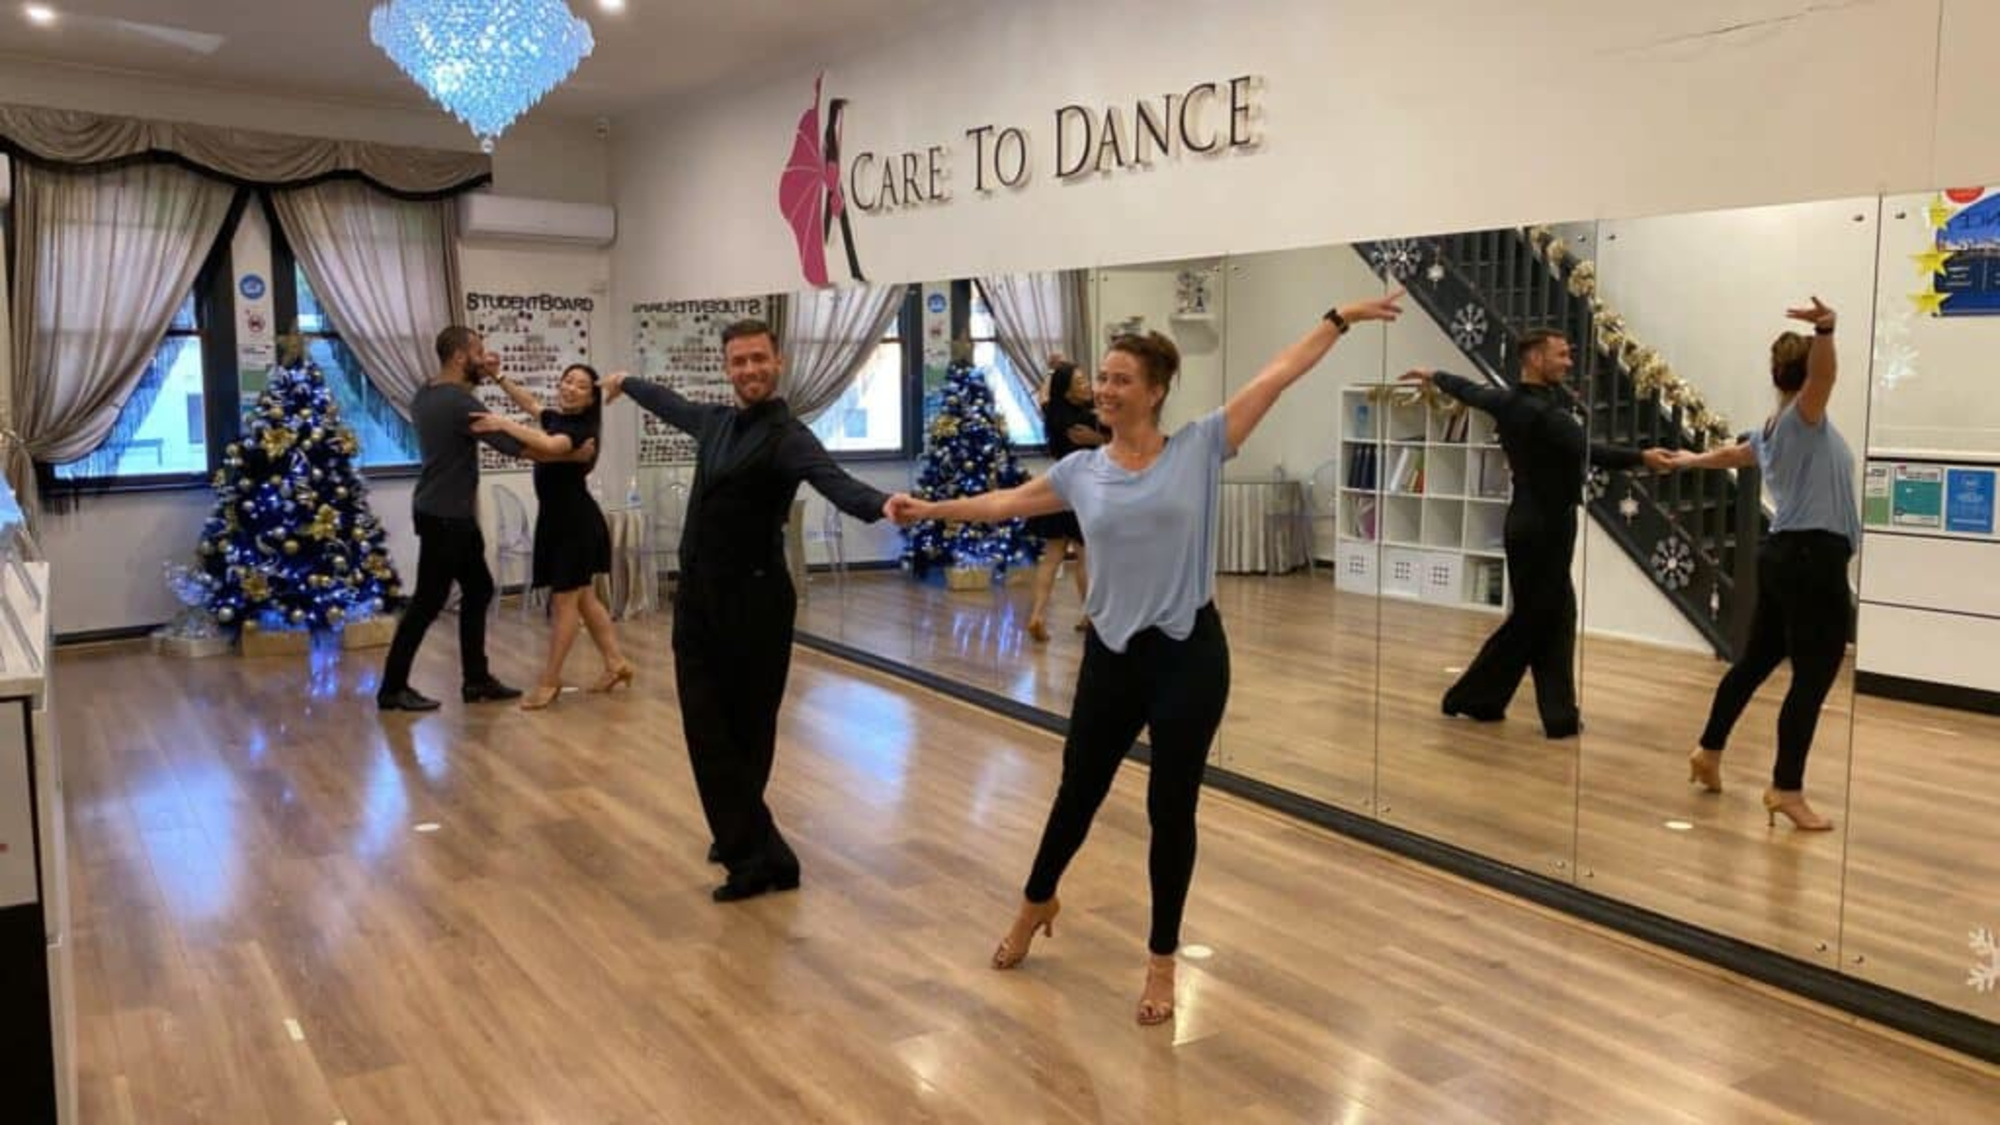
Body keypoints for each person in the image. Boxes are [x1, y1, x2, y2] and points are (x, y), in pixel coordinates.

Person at [890, 289, 1408, 1026]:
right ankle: (1036, 901)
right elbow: (1004, 503)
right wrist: (929, 509)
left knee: (1173, 810)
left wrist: (1337, 319)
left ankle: (1162, 959)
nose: (1105, 388)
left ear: (1156, 390)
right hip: (1111, 656)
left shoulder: (1200, 446)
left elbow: (1275, 376)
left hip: (1188, 656)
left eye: (1121, 378)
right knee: (1078, 794)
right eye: (1102, 377)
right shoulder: (1080, 471)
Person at [602, 319, 898, 902]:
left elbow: (833, 482)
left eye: (759, 359)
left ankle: (751, 853)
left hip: (757, 601)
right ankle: (750, 839)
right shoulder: (713, 423)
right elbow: (669, 403)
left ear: (778, 362)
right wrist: (626, 381)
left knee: (749, 728)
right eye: (739, 362)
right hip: (698, 601)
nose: (749, 370)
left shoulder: (789, 437)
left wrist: (885, 504)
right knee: (706, 723)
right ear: (727, 367)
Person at [1403, 331, 1674, 739]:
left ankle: (1545, 713)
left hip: (1536, 522)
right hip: (1542, 527)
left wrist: (1434, 373)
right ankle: (1474, 697)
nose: (1569, 362)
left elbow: (1470, 390)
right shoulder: (1545, 415)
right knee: (1538, 618)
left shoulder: (1508, 400)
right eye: (1562, 355)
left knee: (1554, 615)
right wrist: (1643, 458)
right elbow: (1591, 452)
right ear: (1533, 357)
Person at [1674, 298, 1856, 831]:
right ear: (1803, 377)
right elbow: (1825, 376)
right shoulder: (1805, 417)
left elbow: (1736, 454)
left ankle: (1708, 752)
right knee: (1812, 678)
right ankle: (1785, 788)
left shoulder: (1776, 427)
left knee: (1754, 663)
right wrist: (1826, 329)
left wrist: (1688, 459)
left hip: (1784, 558)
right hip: (1810, 561)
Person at [377, 328, 593, 712]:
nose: (485, 357)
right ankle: (393, 688)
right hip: (447, 516)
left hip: (438, 510)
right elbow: (525, 450)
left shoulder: (425, 393)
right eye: (478, 352)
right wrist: (575, 457)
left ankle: (476, 680)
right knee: (428, 601)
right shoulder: (461, 403)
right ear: (460, 357)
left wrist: (494, 375)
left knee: (477, 589)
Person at [476, 363, 635, 710]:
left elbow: (550, 445)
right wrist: (498, 377)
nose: (570, 388)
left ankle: (550, 680)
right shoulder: (561, 418)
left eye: (580, 386)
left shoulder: (581, 428)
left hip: (575, 524)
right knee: (584, 599)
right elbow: (531, 405)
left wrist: (502, 423)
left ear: (592, 397)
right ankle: (616, 663)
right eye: (567, 381)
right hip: (560, 520)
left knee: (565, 603)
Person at [1023, 360, 1108, 642]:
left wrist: (1050, 372)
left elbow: (1044, 396)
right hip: (1082, 491)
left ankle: (1037, 614)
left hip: (1058, 488)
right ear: (1069, 393)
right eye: (1081, 382)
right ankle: (1090, 616)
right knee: (1085, 557)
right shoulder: (1086, 421)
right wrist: (1099, 438)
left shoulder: (1054, 415)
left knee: (1052, 557)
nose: (1088, 386)